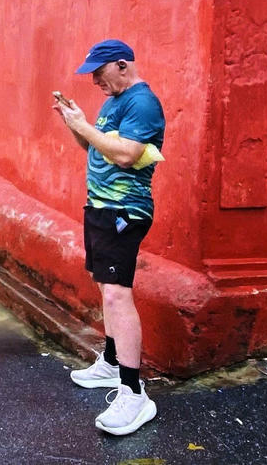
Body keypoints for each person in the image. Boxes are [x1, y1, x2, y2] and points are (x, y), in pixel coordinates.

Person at [52, 38, 165, 436]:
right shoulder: (112, 103)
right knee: (105, 286)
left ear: (121, 65)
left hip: (125, 211)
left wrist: (85, 127)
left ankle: (135, 395)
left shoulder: (142, 103)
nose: (95, 80)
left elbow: (126, 155)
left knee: (118, 293)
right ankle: (112, 362)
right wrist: (76, 123)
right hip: (99, 208)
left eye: (99, 72)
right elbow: (95, 148)